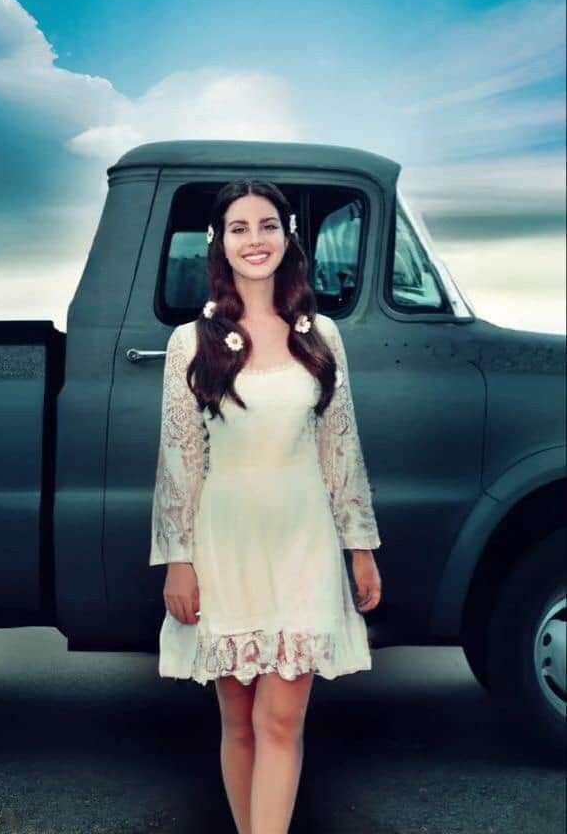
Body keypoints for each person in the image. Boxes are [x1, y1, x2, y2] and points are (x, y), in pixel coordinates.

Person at [149, 178, 382, 834]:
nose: (256, 240)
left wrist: (359, 548)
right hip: (226, 546)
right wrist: (178, 561)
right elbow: (179, 463)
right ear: (218, 242)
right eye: (240, 228)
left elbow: (341, 449)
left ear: (289, 236)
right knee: (240, 724)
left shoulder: (323, 336)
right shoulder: (189, 342)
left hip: (303, 543)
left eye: (268, 225)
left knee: (281, 720)